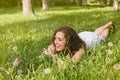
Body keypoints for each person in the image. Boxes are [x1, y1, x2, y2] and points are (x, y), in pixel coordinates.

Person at [43, 21, 115, 63]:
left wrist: (52, 56)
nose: (55, 42)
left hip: (94, 39)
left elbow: (68, 65)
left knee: (102, 36)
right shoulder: (59, 42)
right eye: (55, 38)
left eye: (59, 39)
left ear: (68, 40)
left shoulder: (80, 49)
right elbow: (45, 52)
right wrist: (49, 50)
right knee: (95, 32)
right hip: (82, 35)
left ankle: (108, 28)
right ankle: (107, 24)